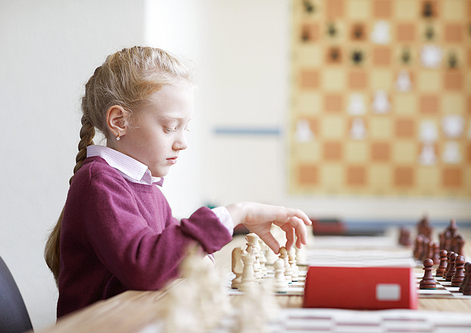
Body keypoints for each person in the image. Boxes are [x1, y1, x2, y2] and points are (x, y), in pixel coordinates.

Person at [44, 46, 312, 318]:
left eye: (186, 127)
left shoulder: (147, 187)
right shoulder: (99, 183)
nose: (182, 142)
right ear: (119, 121)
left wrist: (200, 256)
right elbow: (145, 267)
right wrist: (236, 213)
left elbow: (176, 254)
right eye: (170, 127)